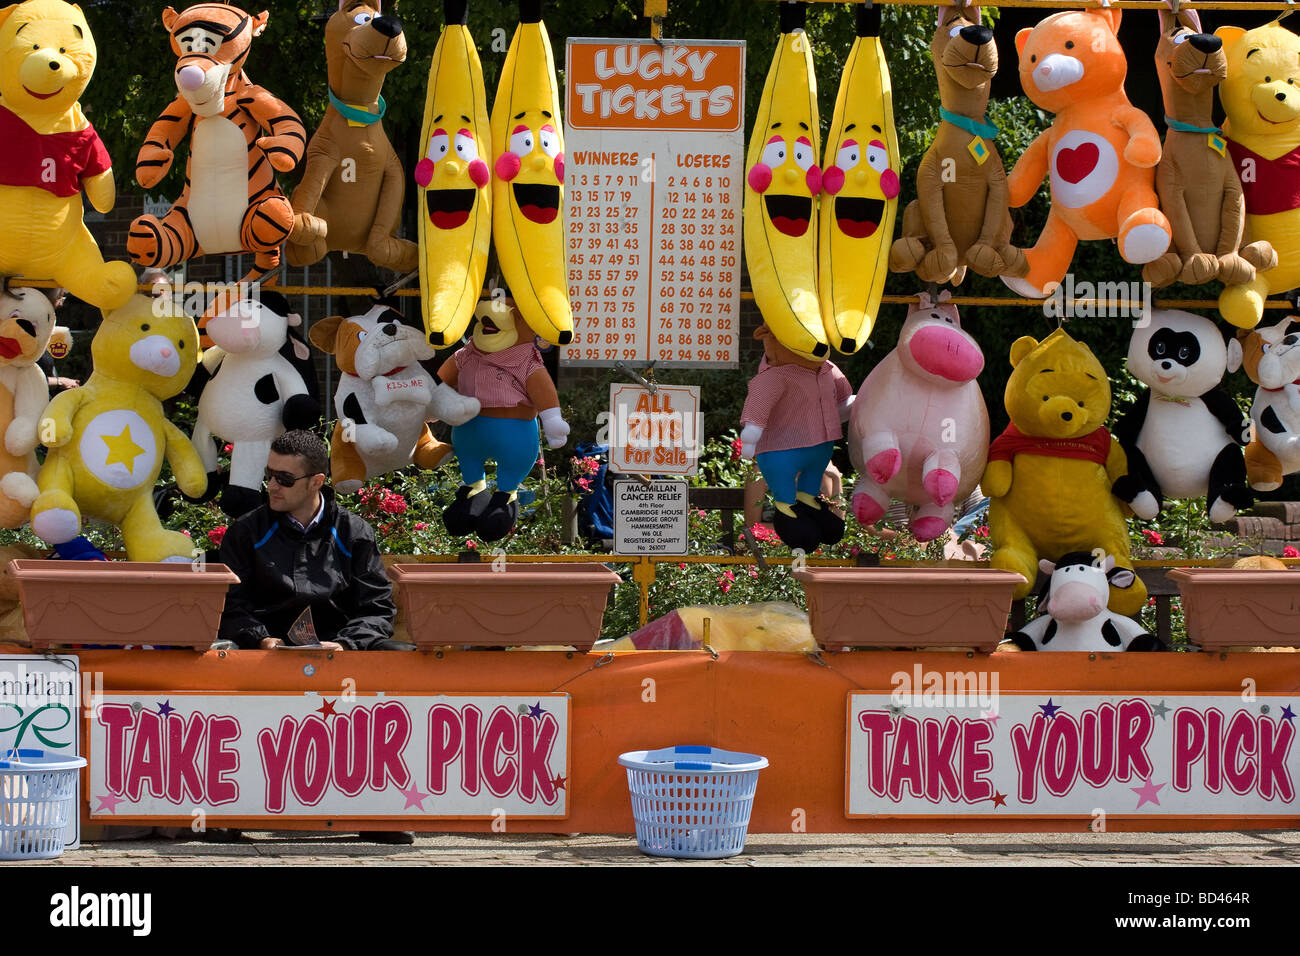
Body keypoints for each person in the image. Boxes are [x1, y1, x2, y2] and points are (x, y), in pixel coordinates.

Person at [216, 429, 406, 652]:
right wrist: (261, 639)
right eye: (270, 474)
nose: (273, 486)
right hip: (264, 653)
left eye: (284, 479)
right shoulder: (246, 531)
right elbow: (229, 605)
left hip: (340, 650)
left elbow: (376, 607)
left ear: (316, 482)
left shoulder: (353, 531)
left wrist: (344, 644)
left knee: (404, 656)